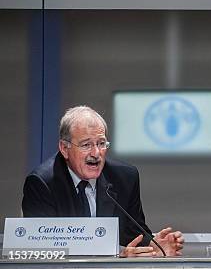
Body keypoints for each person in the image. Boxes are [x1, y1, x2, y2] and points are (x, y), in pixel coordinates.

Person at [22, 106, 184, 258]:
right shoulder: (42, 183)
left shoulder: (125, 178)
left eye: (101, 143)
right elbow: (44, 251)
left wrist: (153, 247)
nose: (96, 153)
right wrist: (117, 256)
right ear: (64, 148)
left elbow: (133, 232)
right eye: (86, 145)